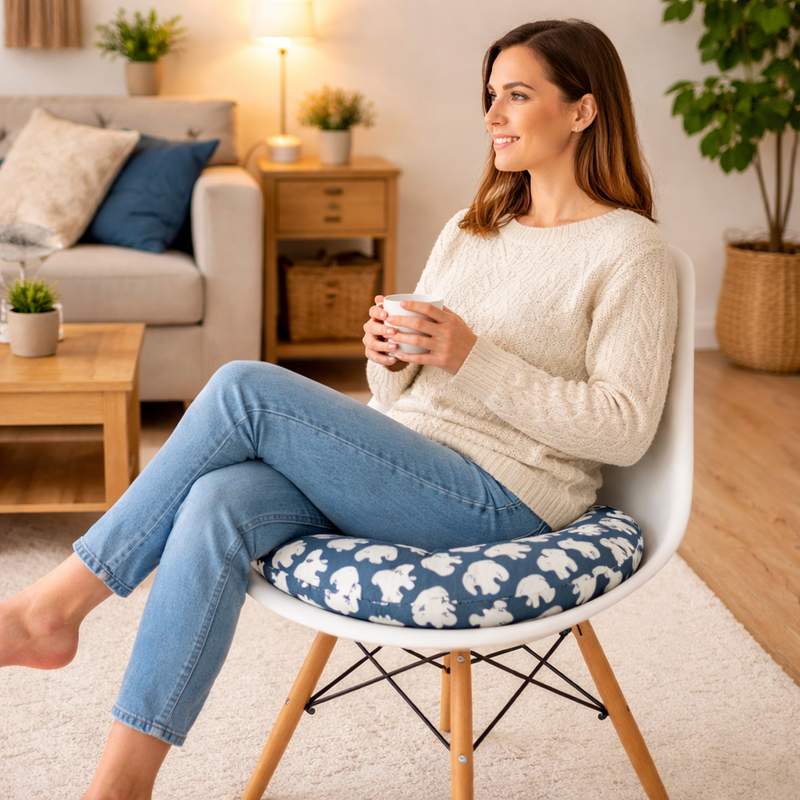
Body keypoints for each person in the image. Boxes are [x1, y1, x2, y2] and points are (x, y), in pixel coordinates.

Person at [0, 17, 677, 800]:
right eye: (490, 95)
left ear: (583, 111)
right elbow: (402, 392)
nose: (492, 115)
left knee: (244, 388)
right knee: (220, 498)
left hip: (508, 500)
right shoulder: (473, 227)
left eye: (517, 96)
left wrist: (472, 357)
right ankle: (121, 787)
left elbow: (622, 429)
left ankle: (52, 608)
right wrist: (389, 357)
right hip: (416, 465)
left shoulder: (631, 252)